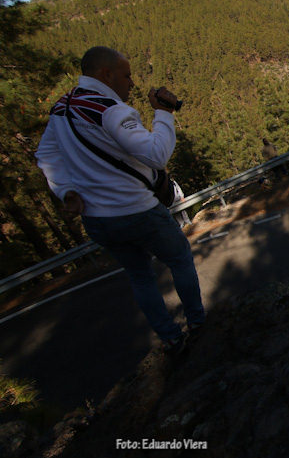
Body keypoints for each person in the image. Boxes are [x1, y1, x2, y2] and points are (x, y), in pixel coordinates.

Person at [35, 46, 205, 352]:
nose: (132, 83)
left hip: (98, 220)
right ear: (106, 74)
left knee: (140, 276)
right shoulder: (110, 110)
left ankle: (170, 338)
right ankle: (198, 323)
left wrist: (65, 191)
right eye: (126, 75)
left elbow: (46, 154)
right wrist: (164, 114)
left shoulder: (61, 109)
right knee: (179, 257)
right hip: (138, 210)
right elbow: (156, 154)